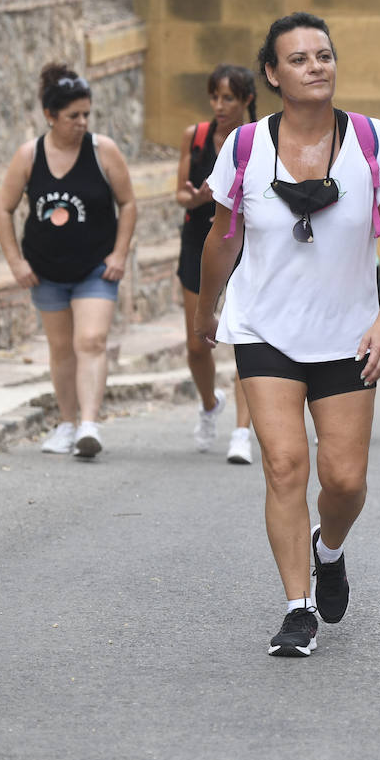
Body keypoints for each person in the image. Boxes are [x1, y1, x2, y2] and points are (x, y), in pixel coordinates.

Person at [193, 12, 380, 657]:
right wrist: (208, 311)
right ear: (272, 73)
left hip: (349, 333)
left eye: (324, 55)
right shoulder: (244, 149)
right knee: (286, 465)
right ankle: (298, 607)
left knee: (344, 480)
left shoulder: (373, 141)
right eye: (299, 59)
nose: (316, 66)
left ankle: (330, 547)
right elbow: (221, 238)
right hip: (265, 328)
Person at [0, 64, 137, 460]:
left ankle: (89, 425)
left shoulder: (102, 150)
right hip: (46, 270)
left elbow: (127, 203)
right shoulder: (29, 156)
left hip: (96, 267)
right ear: (50, 116)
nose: (82, 122)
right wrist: (16, 262)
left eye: (86, 114)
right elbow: (2, 210)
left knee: (91, 340)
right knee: (61, 349)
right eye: (73, 116)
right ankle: (66, 423)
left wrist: (119, 253)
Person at [176, 64, 256, 463]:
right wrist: (199, 198)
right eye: (214, 97)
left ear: (247, 100)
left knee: (244, 339)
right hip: (197, 242)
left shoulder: (259, 141)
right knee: (196, 344)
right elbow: (181, 195)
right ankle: (210, 404)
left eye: (228, 98)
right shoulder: (197, 137)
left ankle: (241, 432)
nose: (219, 105)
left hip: (244, 244)